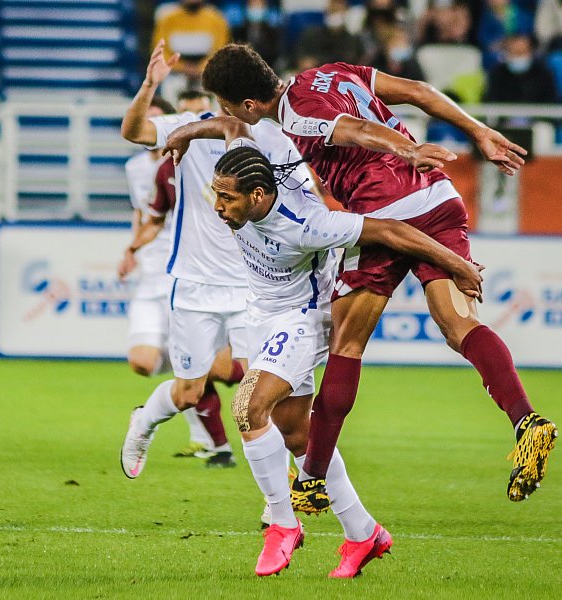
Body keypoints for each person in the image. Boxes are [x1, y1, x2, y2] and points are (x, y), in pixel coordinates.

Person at [198, 44, 557, 511]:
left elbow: (359, 130)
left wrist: (409, 149)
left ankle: (312, 478)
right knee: (459, 324)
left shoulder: (297, 115)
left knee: (346, 343)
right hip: (438, 199)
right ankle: (526, 420)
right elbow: (417, 91)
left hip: (386, 210)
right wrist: (480, 131)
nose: (229, 114)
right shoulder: (331, 72)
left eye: (228, 106)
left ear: (249, 104)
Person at [187, 136, 481, 576]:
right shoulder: (253, 173)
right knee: (296, 435)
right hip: (260, 317)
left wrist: (457, 264)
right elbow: (236, 123)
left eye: (226, 198)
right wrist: (185, 134)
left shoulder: (308, 223)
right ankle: (364, 533)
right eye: (217, 195)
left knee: (248, 408)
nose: (218, 206)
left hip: (303, 319)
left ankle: (282, 525)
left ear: (258, 195)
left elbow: (392, 231)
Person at [119, 39, 319, 478]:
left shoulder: (275, 138)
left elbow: (306, 197)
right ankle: (144, 421)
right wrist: (150, 86)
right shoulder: (191, 126)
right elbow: (133, 132)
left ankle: (284, 493)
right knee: (189, 392)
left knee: (261, 390)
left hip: (254, 287)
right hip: (194, 282)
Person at [119, 96, 220, 459]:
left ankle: (210, 441)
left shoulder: (201, 156)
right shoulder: (144, 169)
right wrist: (132, 249)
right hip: (160, 272)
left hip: (198, 274)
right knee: (145, 364)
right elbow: (145, 215)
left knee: (228, 371)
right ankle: (186, 373)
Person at [152, 0, 230, 88]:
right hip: (175, 76)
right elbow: (160, 52)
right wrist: (183, 68)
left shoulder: (217, 19)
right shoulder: (167, 19)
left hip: (206, 74)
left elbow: (221, 51)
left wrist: (200, 68)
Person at [485, 34, 557, 104]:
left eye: (523, 52)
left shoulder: (543, 74)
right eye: (516, 53)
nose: (519, 57)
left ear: (531, 52)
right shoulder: (497, 74)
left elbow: (550, 100)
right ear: (508, 53)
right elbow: (492, 98)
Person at [294, 0, 364, 67]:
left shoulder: (352, 41)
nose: (336, 9)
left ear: (346, 11)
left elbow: (351, 61)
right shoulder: (311, 34)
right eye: (333, 8)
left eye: (340, 6)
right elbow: (301, 58)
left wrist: (317, 61)